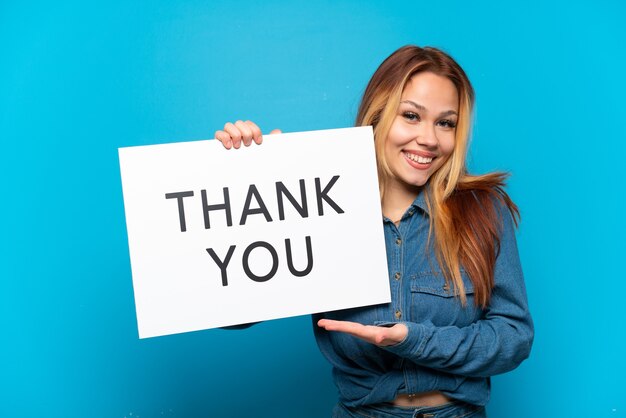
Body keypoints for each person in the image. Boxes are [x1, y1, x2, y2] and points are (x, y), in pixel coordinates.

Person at [214, 45, 533, 418]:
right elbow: (233, 315)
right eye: (411, 115)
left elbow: (513, 337)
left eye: (445, 122)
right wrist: (248, 182)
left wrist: (415, 340)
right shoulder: (318, 205)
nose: (429, 139)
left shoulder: (483, 210)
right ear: (378, 115)